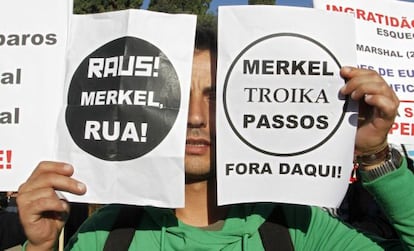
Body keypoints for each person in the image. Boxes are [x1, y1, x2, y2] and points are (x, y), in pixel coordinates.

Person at [16, 22, 414, 250]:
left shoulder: (300, 229)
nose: (193, 117)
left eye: (214, 97)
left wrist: (375, 155)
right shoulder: (105, 235)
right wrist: (41, 248)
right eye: (172, 98)